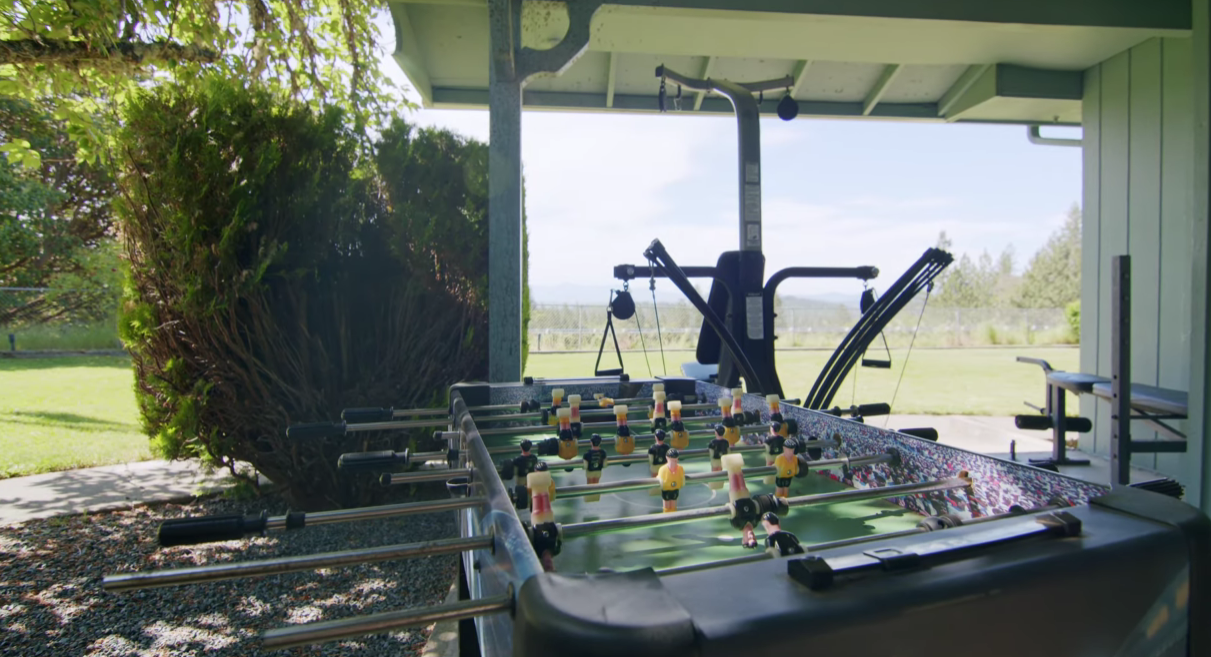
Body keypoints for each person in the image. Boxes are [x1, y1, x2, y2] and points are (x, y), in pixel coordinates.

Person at [657, 448, 686, 512]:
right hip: (666, 490)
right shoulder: (663, 469)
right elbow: (660, 480)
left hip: (675, 489)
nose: (674, 463)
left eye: (675, 460)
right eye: (672, 460)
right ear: (667, 458)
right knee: (666, 506)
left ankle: (673, 515)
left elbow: (682, 479)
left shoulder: (680, 469)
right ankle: (666, 516)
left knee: (673, 505)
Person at [582, 434, 609, 502]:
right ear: (600, 442)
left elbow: (585, 466)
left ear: (591, 442)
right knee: (596, 483)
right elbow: (605, 465)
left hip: (590, 472)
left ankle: (589, 498)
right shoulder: (603, 453)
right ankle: (596, 497)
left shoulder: (587, 454)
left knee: (589, 484)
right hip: (598, 471)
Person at [707, 424, 730, 490]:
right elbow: (728, 451)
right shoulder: (726, 442)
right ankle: (719, 484)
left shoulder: (712, 442)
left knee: (714, 472)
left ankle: (713, 485)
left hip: (715, 461)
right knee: (720, 472)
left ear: (716, 433)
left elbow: (711, 453)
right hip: (722, 460)